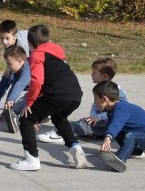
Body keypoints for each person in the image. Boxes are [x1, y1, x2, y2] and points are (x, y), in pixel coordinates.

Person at [9, 24, 89, 171]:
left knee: (26, 118)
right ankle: (76, 149)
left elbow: (37, 81)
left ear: (29, 44)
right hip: (75, 94)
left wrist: (30, 103)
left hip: (57, 95)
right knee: (59, 118)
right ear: (48, 40)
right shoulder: (58, 54)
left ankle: (31, 159)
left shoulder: (37, 55)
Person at [37, 57, 128, 143]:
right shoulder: (100, 89)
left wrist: (98, 118)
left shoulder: (117, 92)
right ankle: (93, 132)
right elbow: (95, 106)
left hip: (108, 123)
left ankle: (60, 135)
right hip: (100, 122)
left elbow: (121, 112)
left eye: (94, 73)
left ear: (104, 76)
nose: (91, 74)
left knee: (79, 125)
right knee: (82, 122)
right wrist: (92, 117)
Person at [96, 80, 145, 173]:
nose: (95, 102)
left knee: (130, 135)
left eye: (96, 99)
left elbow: (116, 124)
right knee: (119, 132)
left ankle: (120, 159)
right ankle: (135, 151)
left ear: (105, 99)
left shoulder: (121, 108)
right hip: (140, 134)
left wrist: (107, 138)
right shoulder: (112, 110)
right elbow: (114, 126)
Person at [0, 19, 29, 112]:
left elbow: (25, 64)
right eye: (1, 38)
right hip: (21, 58)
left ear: (15, 36)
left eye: (7, 38)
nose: (4, 42)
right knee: (7, 75)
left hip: (31, 58)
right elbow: (11, 56)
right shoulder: (9, 42)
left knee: (16, 80)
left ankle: (11, 105)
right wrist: (8, 68)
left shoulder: (23, 45)